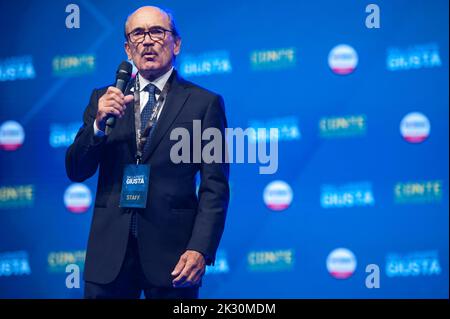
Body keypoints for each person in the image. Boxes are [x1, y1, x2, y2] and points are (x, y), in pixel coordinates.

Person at [65, 6, 229, 299]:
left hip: (173, 257)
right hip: (109, 255)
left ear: (176, 43)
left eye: (157, 31)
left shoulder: (205, 104)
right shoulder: (104, 99)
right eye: (138, 33)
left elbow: (214, 186)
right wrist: (98, 126)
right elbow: (77, 169)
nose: (147, 40)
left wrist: (200, 248)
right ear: (128, 48)